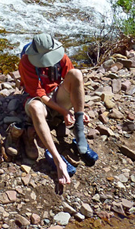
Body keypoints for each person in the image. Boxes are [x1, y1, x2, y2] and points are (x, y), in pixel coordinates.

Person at [18, 33, 98, 186]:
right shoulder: (26, 62)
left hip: (55, 94)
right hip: (38, 99)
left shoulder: (62, 56)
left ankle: (79, 131)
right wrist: (63, 111)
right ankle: (57, 159)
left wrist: (77, 110)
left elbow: (73, 82)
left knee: (76, 74)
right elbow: (39, 94)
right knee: (35, 107)